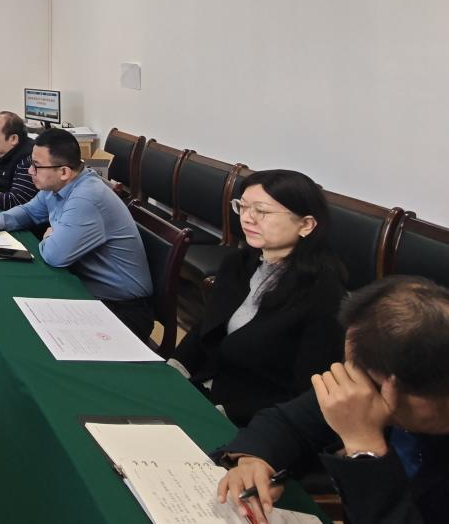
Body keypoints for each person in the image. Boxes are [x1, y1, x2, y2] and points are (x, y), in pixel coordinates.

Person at [215, 276, 449, 524]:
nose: (352, 382)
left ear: (393, 388)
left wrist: (364, 447)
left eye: (365, 377)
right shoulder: (381, 372)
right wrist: (253, 460)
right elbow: (288, 423)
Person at [171, 169, 346, 426]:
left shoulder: (323, 294)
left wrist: (226, 412)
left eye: (261, 211)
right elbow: (207, 326)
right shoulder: (237, 264)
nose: (247, 218)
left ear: (306, 225)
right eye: (242, 207)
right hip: (204, 390)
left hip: (251, 418)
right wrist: (175, 368)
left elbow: (304, 392)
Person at [0, 127, 154, 337]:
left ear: (64, 172)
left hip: (122, 308)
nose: (30, 171)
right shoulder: (58, 186)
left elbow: (55, 255)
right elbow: (29, 211)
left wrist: (50, 236)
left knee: (28, 329)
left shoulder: (86, 197)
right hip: (86, 286)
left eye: (36, 166)